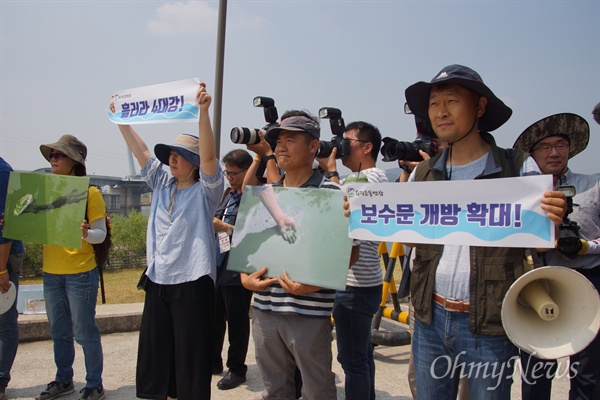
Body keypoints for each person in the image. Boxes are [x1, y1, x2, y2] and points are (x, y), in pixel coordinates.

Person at [398, 64, 566, 399]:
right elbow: (409, 240)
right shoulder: (423, 175)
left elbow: (545, 235)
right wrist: (364, 212)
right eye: (433, 104)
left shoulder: (518, 167)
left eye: (451, 101)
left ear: (479, 107)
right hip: (429, 319)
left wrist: (553, 216)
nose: (440, 112)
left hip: (490, 325)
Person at [110, 82, 223, 400]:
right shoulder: (161, 182)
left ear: (195, 162)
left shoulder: (206, 191)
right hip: (158, 279)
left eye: (182, 156)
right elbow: (142, 151)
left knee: (191, 354)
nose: (173, 160)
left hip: (192, 281)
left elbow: (211, 156)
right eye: (171, 154)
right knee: (157, 352)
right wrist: (121, 121)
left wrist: (204, 113)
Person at [240, 111, 348, 400]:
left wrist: (312, 285)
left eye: (291, 140)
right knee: (274, 388)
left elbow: (351, 253)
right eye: (277, 141)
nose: (281, 147)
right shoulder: (266, 194)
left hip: (309, 313)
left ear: (314, 147)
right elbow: (249, 249)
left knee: (317, 389)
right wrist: (244, 279)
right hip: (264, 310)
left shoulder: (333, 193)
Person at [512, 113, 600, 400]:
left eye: (560, 145)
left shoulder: (594, 185)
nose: (553, 152)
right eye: (544, 147)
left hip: (589, 283)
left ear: (570, 148)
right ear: (532, 154)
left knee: (589, 373)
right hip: (541, 284)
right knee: (536, 371)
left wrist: (586, 247)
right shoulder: (522, 193)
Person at [317, 121, 386, 400]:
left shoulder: (374, 177)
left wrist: (331, 172)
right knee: (363, 354)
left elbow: (343, 206)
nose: (341, 148)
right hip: (355, 281)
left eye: (348, 143)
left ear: (367, 147)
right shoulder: (352, 178)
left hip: (357, 284)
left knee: (352, 360)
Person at [35, 135, 107, 400]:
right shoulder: (46, 191)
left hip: (80, 272)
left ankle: (94, 384)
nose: (52, 159)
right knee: (59, 331)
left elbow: (100, 234)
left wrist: (86, 234)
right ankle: (64, 379)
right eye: (51, 155)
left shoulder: (90, 193)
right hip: (51, 272)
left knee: (84, 331)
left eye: (58, 155)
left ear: (75, 161)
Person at [212, 149, 254, 390]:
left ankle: (237, 368)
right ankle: (213, 360)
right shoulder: (227, 194)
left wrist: (225, 227)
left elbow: (255, 234)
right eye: (226, 172)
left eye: (233, 173)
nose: (229, 177)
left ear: (247, 170)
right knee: (215, 317)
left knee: (237, 321)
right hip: (218, 264)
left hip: (239, 266)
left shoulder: (253, 196)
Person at [0, 157, 25, 400]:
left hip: (4, 257)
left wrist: (1, 269)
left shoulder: (2, 171)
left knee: (5, 319)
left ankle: (1, 379)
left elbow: (7, 224)